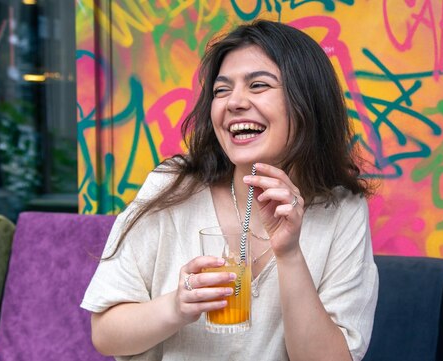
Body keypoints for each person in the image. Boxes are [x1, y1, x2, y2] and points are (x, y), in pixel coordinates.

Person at [81, 19, 379, 361]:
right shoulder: (171, 186)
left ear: (308, 101)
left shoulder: (343, 210)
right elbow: (105, 334)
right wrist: (177, 307)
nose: (234, 102)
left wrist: (290, 254)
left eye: (258, 85)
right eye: (222, 90)